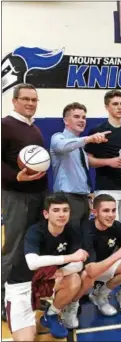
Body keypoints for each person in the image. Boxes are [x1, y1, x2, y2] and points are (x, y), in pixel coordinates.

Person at [4, 193, 88, 340]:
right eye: (56, 210)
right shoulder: (35, 231)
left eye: (65, 210)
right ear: (46, 214)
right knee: (25, 339)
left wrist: (61, 271)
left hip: (46, 280)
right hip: (21, 286)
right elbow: (32, 263)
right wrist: (69, 258)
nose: (61, 214)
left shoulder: (72, 231)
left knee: (74, 279)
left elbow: (79, 263)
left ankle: (51, 314)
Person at [1, 83, 48, 321]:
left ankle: (29, 293)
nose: (31, 103)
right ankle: (1, 299)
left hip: (38, 195)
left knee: (33, 248)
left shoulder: (34, 129)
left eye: (34, 100)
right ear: (15, 101)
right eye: (26, 99)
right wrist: (14, 176)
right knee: (14, 247)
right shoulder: (5, 125)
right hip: (16, 195)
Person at [62, 194, 121, 328]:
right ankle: (72, 305)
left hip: (102, 266)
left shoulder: (117, 226)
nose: (111, 215)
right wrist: (119, 254)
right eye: (106, 211)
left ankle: (100, 295)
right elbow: (91, 270)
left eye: (113, 210)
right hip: (81, 272)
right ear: (94, 212)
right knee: (88, 276)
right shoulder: (87, 230)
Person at [51, 102, 110, 226]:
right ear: (66, 120)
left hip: (83, 198)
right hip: (66, 198)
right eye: (76, 117)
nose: (82, 120)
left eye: (84, 117)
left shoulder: (81, 147)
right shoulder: (58, 137)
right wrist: (89, 139)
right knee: (70, 239)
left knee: (82, 238)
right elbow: (61, 146)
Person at [85, 90, 121, 230]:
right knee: (108, 232)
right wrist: (109, 162)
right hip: (106, 188)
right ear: (107, 107)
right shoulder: (98, 131)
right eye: (115, 104)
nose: (120, 107)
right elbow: (88, 160)